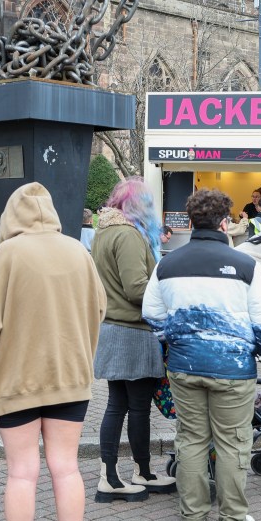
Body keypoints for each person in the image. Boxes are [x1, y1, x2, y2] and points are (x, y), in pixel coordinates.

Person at [0, 182, 106, 521]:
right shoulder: (78, 250)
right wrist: (81, 360)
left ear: (11, 215)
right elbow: (99, 310)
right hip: (70, 377)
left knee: (22, 471)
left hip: (16, 381)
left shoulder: (6, 255)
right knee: (67, 467)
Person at [142, 188, 261, 521]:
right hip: (232, 370)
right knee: (233, 443)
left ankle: (192, 518)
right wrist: (255, 349)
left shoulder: (167, 263)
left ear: (189, 221)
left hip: (184, 368)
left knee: (190, 440)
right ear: (224, 222)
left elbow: (152, 315)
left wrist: (175, 339)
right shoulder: (246, 266)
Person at [91, 178, 176, 503]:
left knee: (119, 405)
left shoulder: (105, 232)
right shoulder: (128, 235)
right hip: (133, 330)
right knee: (136, 408)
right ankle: (130, 474)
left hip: (112, 329)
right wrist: (168, 301)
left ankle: (115, 474)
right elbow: (136, 288)